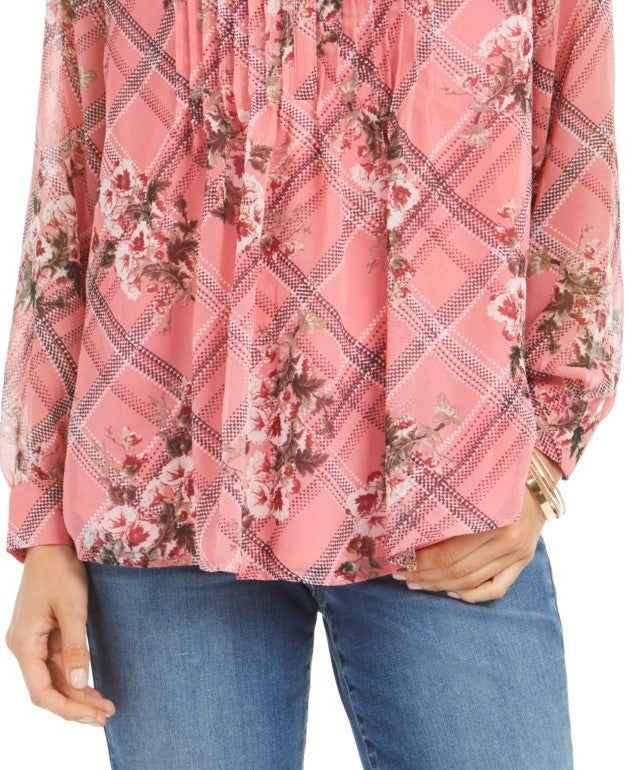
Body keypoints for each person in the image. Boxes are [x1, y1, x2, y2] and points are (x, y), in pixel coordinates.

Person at [1, 0, 622, 767]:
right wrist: (42, 522)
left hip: (445, 502)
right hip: (166, 498)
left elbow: (577, 176)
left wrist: (542, 463)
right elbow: (68, 185)